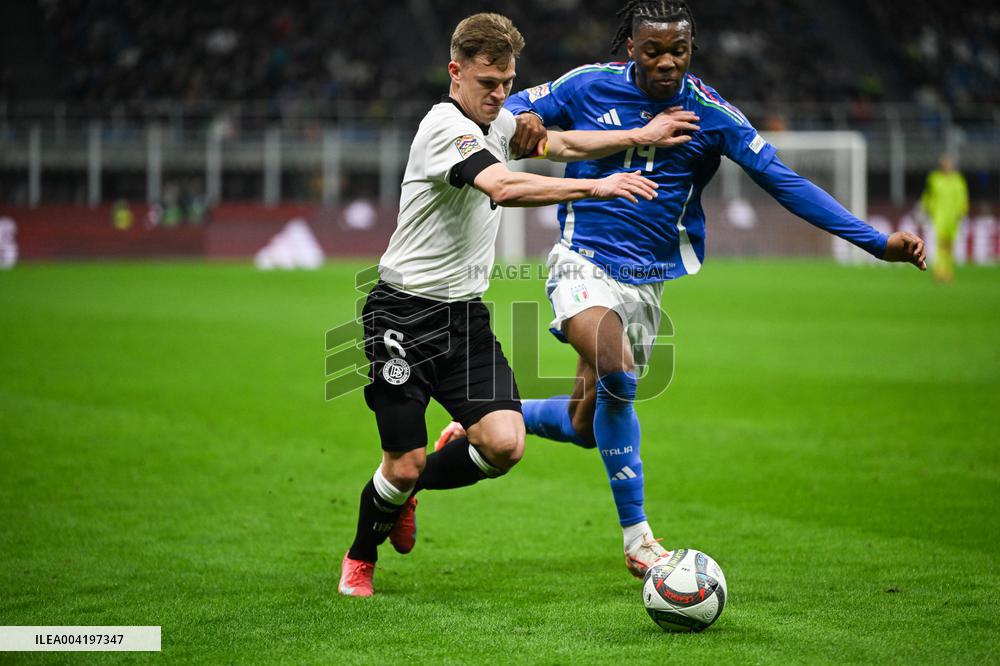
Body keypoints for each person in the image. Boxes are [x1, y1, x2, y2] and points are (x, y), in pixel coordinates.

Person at [434, 0, 927, 581]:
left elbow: (783, 181)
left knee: (583, 425)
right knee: (619, 372)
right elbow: (513, 104)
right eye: (653, 50)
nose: (667, 62)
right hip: (581, 261)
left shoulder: (711, 114)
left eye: (679, 51)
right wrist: (523, 117)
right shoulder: (589, 86)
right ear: (631, 49)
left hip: (648, 282)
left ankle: (474, 427)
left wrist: (872, 241)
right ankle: (639, 540)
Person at [339, 12, 699, 597]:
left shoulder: (497, 121)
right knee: (400, 463)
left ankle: (409, 491)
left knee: (505, 445)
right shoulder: (442, 127)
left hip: (463, 317)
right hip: (401, 315)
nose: (500, 96)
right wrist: (597, 185)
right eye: (488, 83)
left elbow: (562, 143)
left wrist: (640, 136)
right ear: (456, 73)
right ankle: (360, 555)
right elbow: (503, 186)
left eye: (507, 83)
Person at [921, 155, 969, 283]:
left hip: (953, 217)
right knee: (940, 244)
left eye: (948, 164)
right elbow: (928, 195)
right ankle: (939, 271)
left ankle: (947, 270)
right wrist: (927, 209)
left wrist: (962, 211)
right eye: (944, 164)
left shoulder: (958, 180)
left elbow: (962, 197)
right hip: (939, 216)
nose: (946, 166)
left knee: (950, 245)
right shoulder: (934, 178)